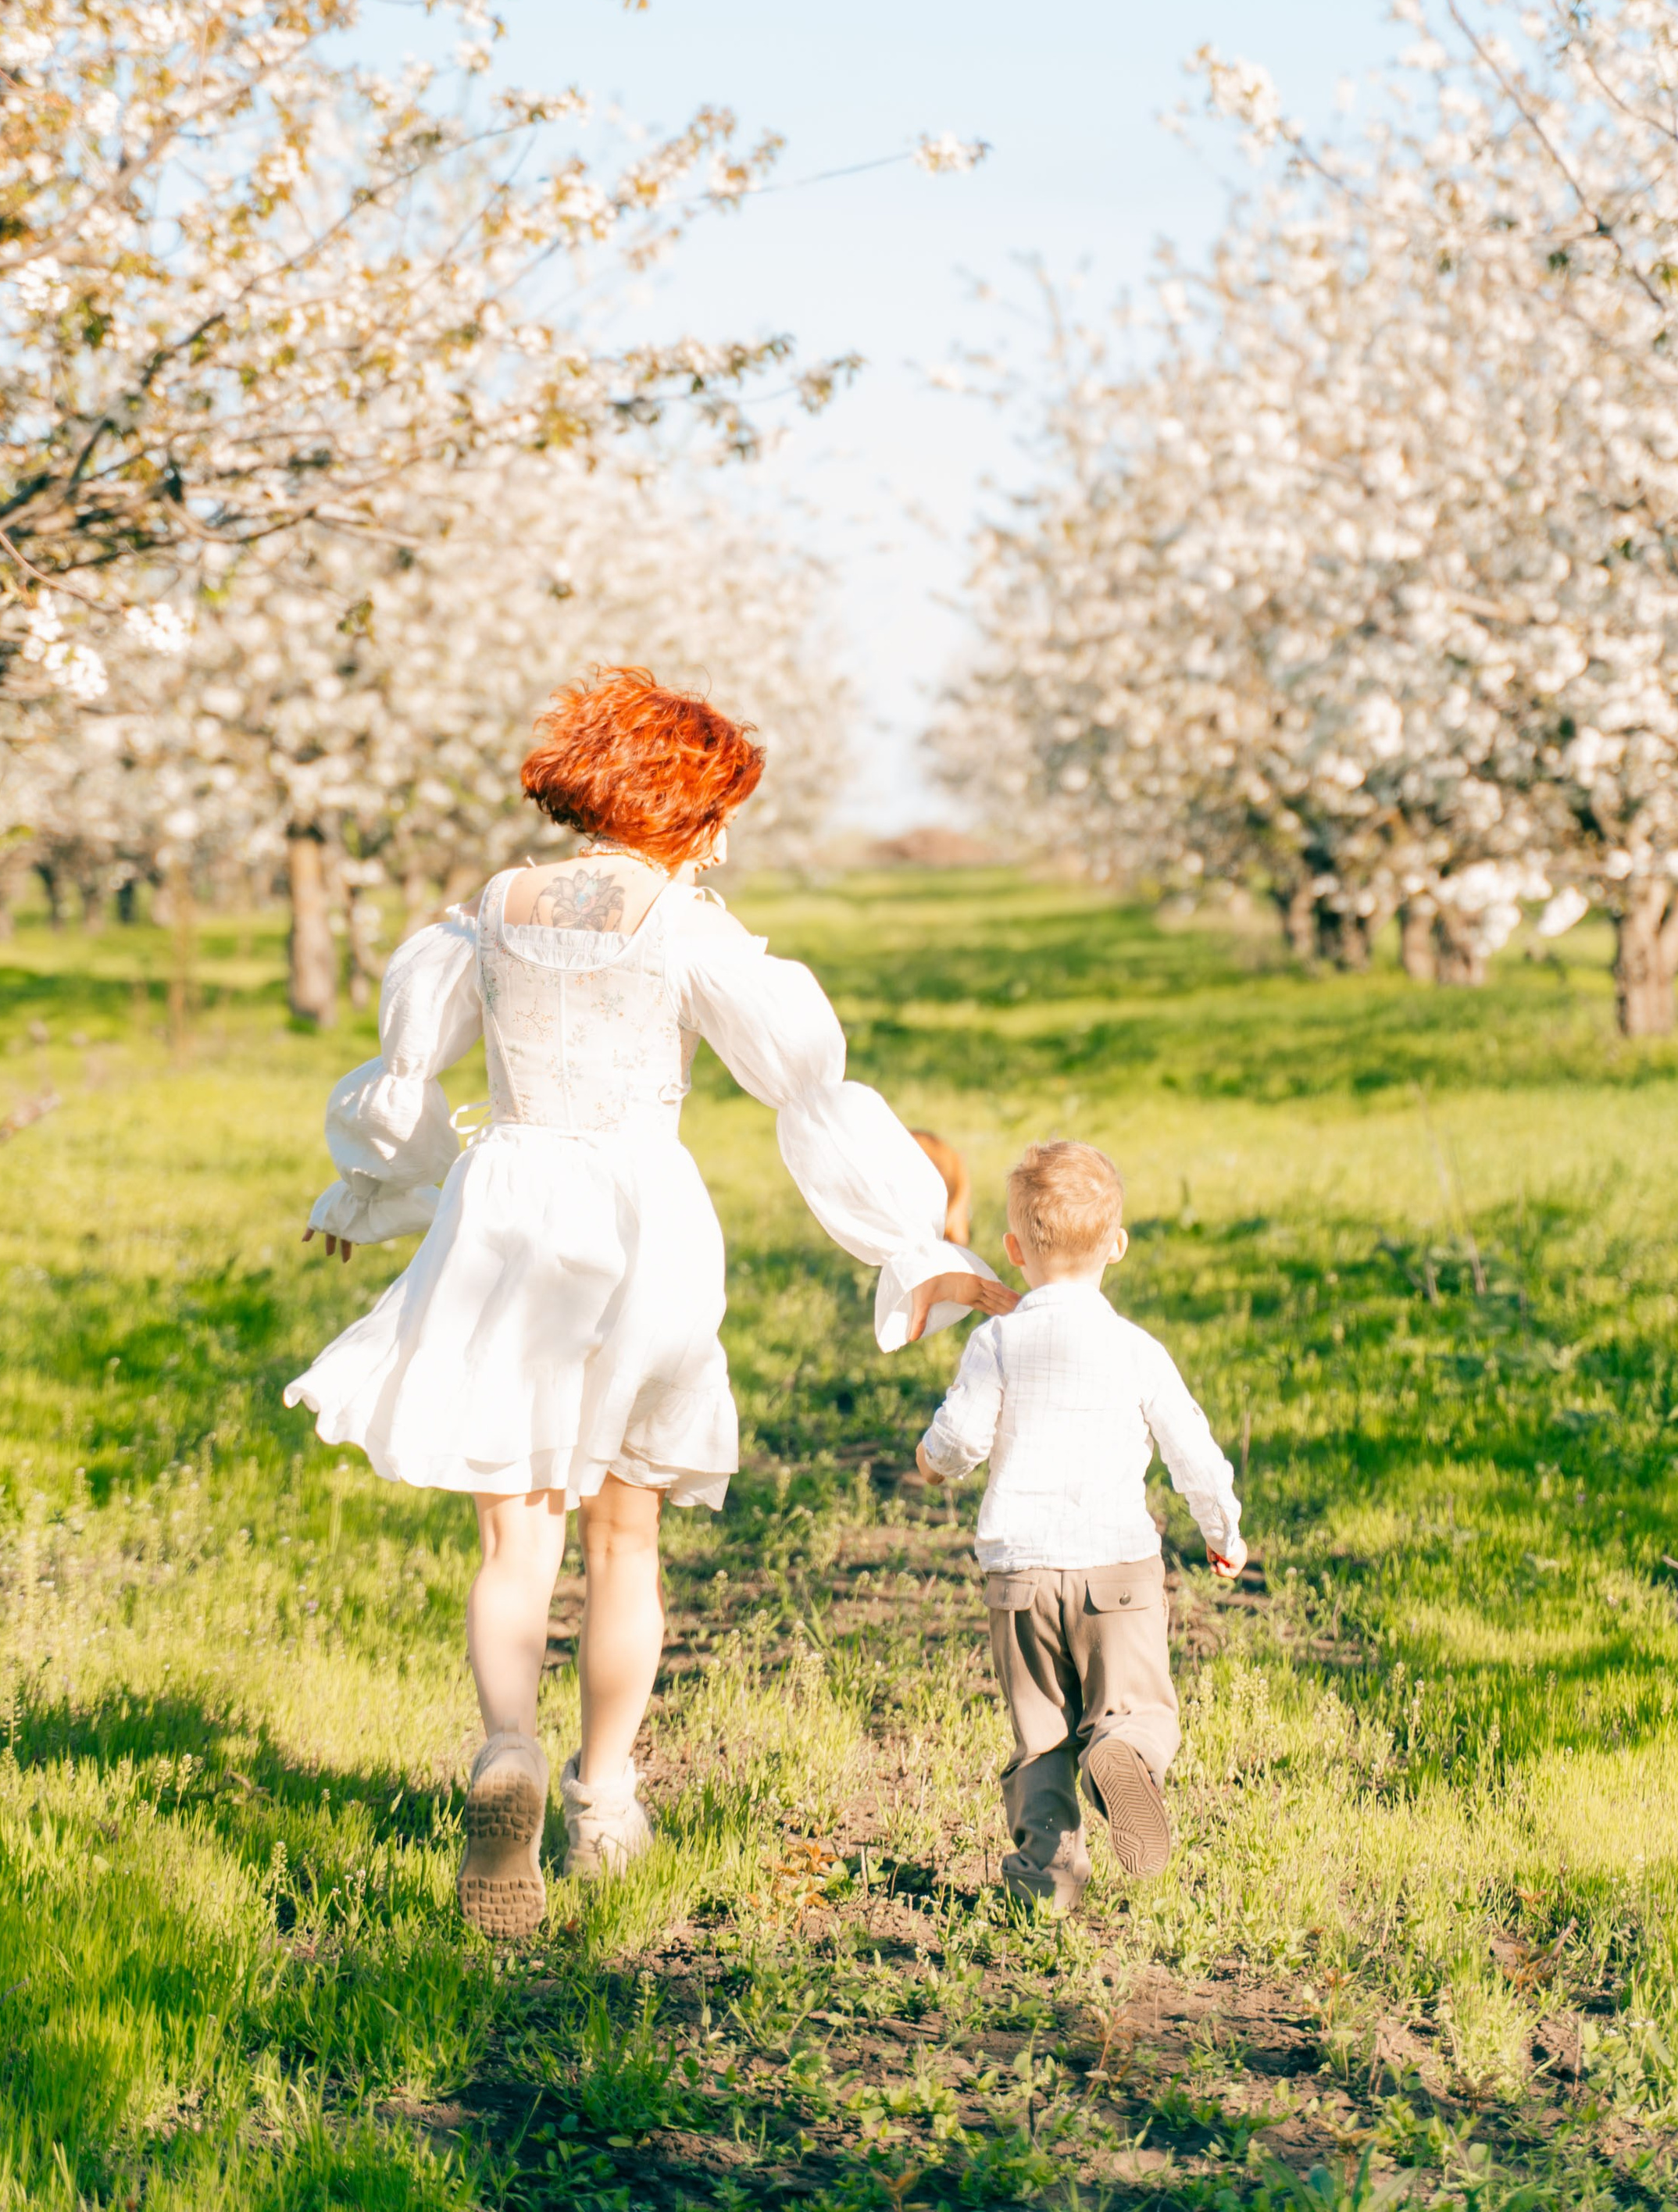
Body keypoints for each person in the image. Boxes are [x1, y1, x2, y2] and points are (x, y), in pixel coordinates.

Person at [285, 665, 1010, 1936]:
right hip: (637, 1227)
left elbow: (408, 1066)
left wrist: (361, 1193)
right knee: (626, 1542)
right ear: (683, 802)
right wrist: (909, 1236)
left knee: (514, 1542)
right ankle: (603, 1799)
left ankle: (503, 1751)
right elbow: (807, 1092)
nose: (727, 835)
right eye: (721, 806)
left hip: (504, 1214)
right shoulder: (684, 925)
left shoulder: (487, 911)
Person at [915, 1137, 1244, 1911]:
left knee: (1040, 1734)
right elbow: (1191, 1450)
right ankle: (1124, 1751)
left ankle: (1047, 1877)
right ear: (1117, 1245)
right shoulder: (1136, 1349)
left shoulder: (996, 1339)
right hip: (1119, 1571)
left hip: (1020, 1577)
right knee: (1135, 1706)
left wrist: (932, 1463)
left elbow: (960, 1439)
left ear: (1012, 1250)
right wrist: (1223, 1532)